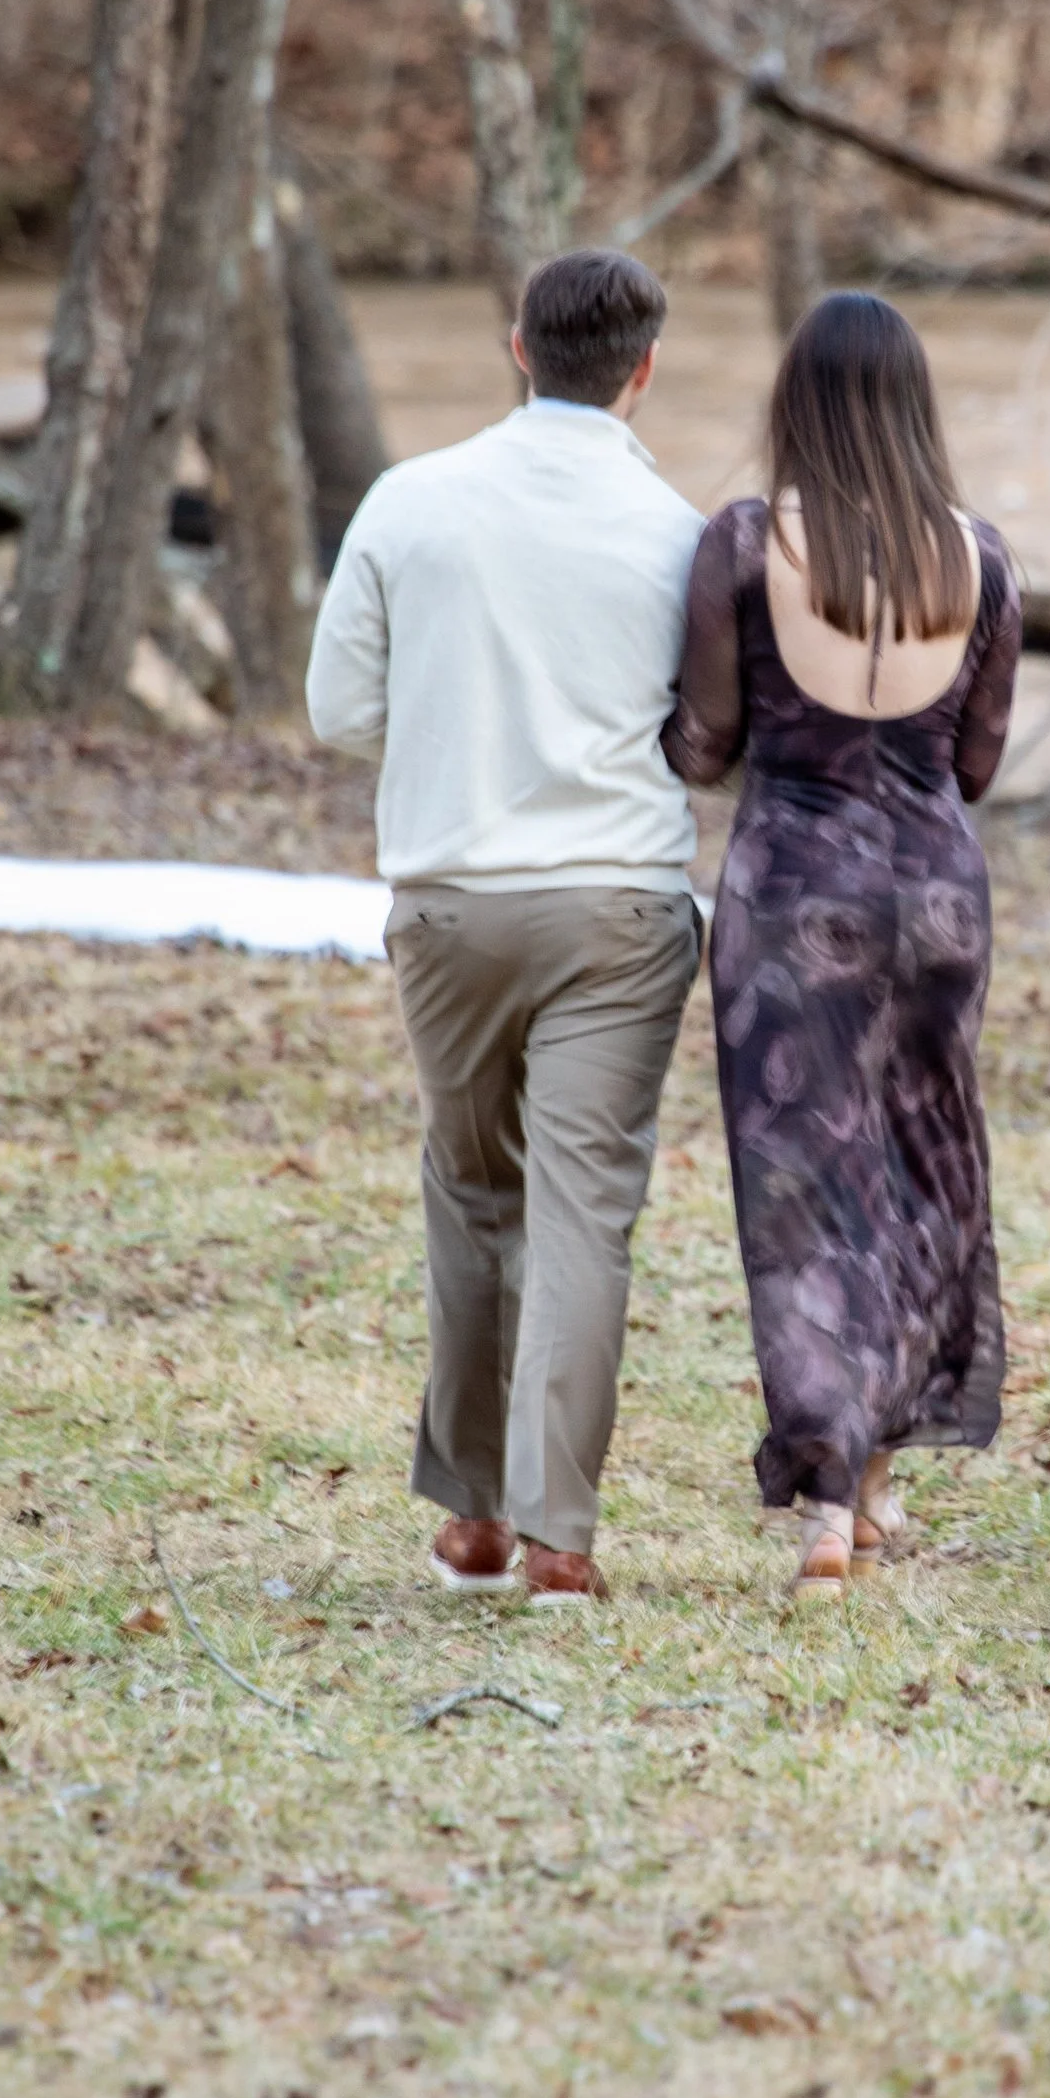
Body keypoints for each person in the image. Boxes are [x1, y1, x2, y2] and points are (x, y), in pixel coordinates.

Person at [306, 250, 703, 1604]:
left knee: (473, 1188)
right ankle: (557, 1537)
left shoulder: (410, 503)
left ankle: (470, 1518)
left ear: (517, 347)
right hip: (621, 905)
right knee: (584, 1209)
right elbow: (709, 735)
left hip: (452, 898)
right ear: (643, 370)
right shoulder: (682, 535)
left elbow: (337, 712)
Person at [662, 292, 1021, 1598]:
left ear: (794, 404)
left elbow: (699, 741)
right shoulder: (980, 560)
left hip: (793, 899)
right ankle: (874, 1485)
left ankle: (823, 1498)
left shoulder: (746, 547)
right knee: (928, 1169)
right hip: (934, 899)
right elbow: (975, 762)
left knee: (807, 1190)